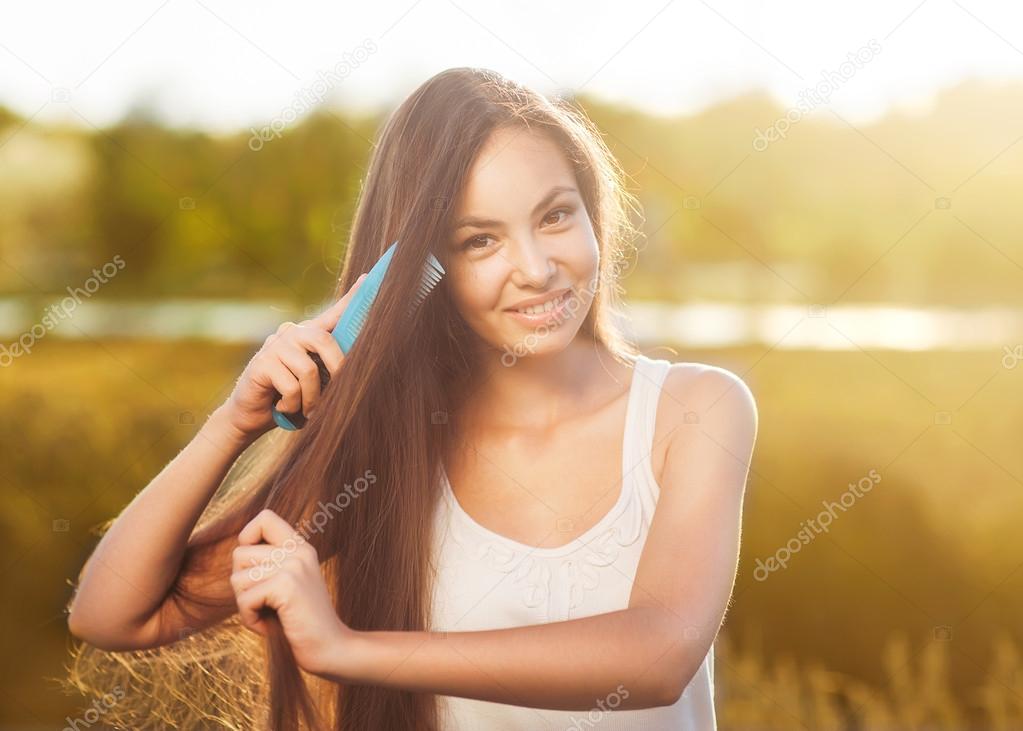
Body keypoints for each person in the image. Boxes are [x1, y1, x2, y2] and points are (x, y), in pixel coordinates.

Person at [66, 66, 757, 731]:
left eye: (553, 216)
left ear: (591, 214)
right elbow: (113, 613)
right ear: (419, 271)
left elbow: (659, 651)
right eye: (479, 239)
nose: (537, 268)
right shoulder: (388, 452)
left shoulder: (698, 410)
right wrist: (234, 422)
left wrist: (345, 650)